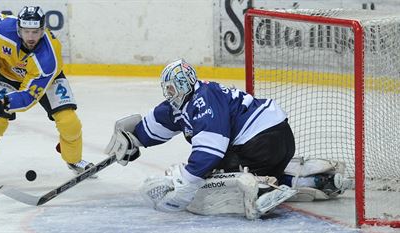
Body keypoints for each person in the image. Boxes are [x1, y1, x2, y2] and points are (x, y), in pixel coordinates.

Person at [105, 59, 300, 219]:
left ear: (182, 84)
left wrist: (187, 181)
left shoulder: (203, 99)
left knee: (211, 174)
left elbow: (211, 150)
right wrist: (134, 138)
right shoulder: (186, 102)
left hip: (261, 144)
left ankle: (261, 189)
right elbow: (161, 120)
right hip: (277, 140)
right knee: (212, 168)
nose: (168, 94)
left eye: (171, 88)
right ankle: (298, 178)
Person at [0, 6, 93, 182]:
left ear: (43, 30)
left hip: (46, 80)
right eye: (26, 31)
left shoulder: (48, 59)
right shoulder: (4, 27)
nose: (30, 37)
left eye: (35, 32)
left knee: (69, 123)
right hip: (8, 75)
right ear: (18, 29)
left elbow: (28, 97)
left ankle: (74, 161)